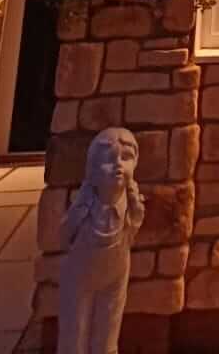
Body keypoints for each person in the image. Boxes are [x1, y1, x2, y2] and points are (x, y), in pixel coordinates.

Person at [58, 127, 144, 354]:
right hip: (80, 277)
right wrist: (78, 211)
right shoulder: (85, 206)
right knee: (75, 333)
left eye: (125, 158)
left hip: (115, 275)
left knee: (107, 335)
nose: (118, 166)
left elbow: (133, 231)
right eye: (108, 160)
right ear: (93, 171)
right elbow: (65, 235)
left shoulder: (132, 207)